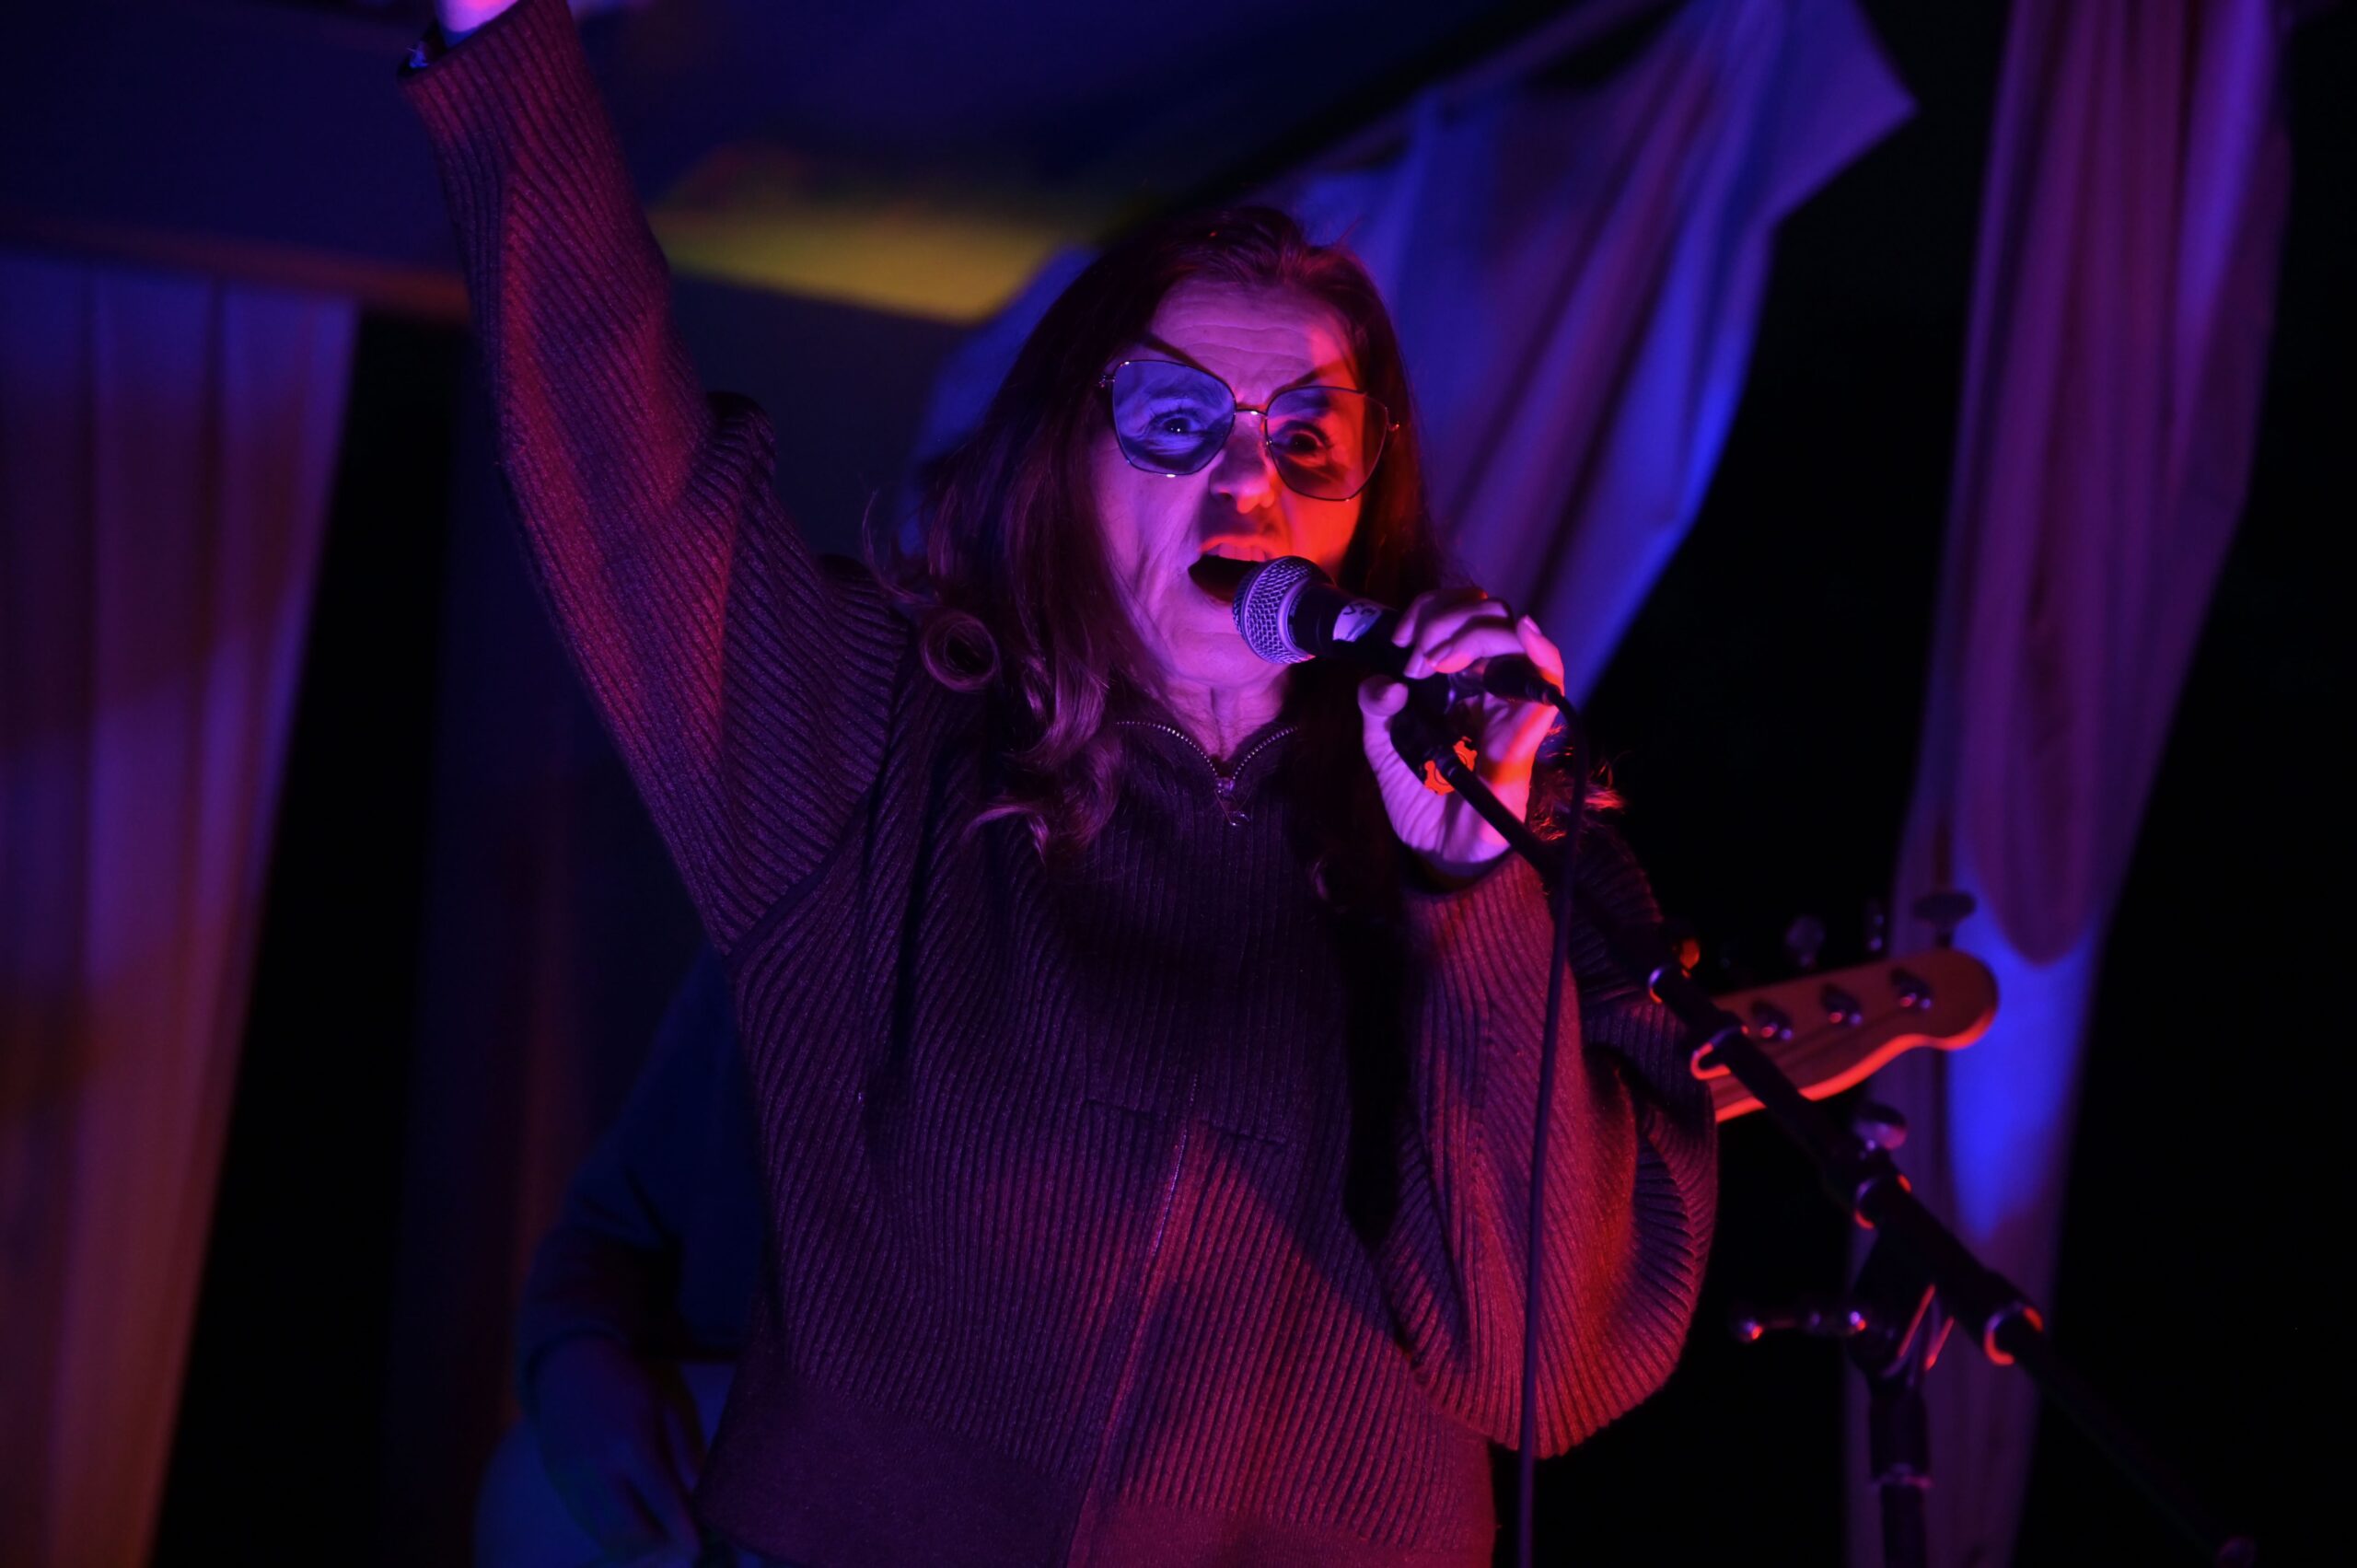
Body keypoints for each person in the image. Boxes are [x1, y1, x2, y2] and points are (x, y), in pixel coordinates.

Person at [401, 1, 1716, 1562]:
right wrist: (504, 39)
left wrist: (1468, 890)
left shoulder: (1519, 837)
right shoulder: (880, 744)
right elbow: (629, 478)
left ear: (1368, 505)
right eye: (1174, 417)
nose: (1248, 478)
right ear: (1059, 463)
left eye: (1310, 438)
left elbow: (1548, 1370)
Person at [475, 947, 764, 1568]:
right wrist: (573, 1357)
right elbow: (604, 1230)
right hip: (708, 1494)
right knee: (526, 1498)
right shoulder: (760, 945)